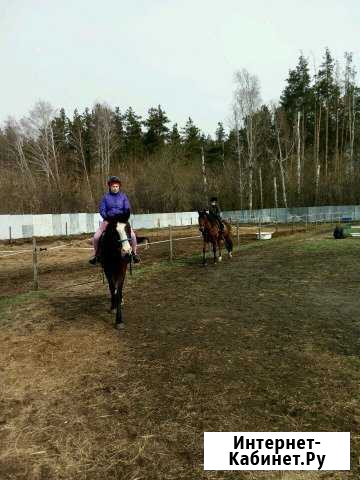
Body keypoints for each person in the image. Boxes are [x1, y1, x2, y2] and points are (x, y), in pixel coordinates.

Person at [89, 176, 140, 264]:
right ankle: (96, 255)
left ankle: (134, 254)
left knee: (133, 236)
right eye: (113, 186)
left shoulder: (123, 197)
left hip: (121, 220)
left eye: (117, 186)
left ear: (119, 187)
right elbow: (102, 210)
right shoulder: (105, 197)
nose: (115, 188)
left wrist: (124, 217)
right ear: (110, 187)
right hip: (109, 220)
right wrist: (107, 217)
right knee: (96, 237)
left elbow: (127, 208)